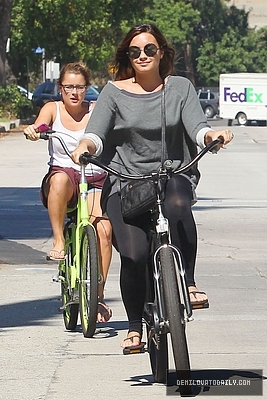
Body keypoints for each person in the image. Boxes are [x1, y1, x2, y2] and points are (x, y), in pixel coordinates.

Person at [71, 24, 234, 349]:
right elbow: (96, 133)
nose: (142, 56)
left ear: (161, 53)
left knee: (178, 203)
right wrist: (85, 146)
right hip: (125, 184)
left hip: (171, 175)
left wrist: (211, 137)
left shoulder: (180, 88)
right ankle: (134, 327)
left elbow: (197, 126)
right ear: (127, 57)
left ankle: (187, 282)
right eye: (135, 51)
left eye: (149, 49)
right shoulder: (113, 92)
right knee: (134, 255)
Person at [24, 62, 112, 323]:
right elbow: (41, 125)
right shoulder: (53, 108)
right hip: (65, 180)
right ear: (60, 88)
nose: (74, 92)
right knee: (60, 179)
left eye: (80, 87)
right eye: (69, 87)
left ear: (88, 88)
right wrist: (34, 131)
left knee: (104, 232)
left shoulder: (96, 110)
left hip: (94, 178)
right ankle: (59, 240)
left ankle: (98, 296)